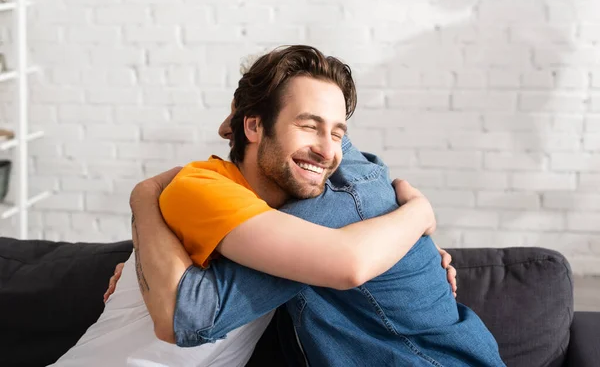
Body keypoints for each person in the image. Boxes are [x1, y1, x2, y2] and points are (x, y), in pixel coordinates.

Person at [127, 46, 505, 366]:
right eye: (309, 126)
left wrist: (144, 197)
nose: (328, 150)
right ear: (253, 127)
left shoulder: (341, 199)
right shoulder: (297, 197)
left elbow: (192, 315)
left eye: (337, 132)